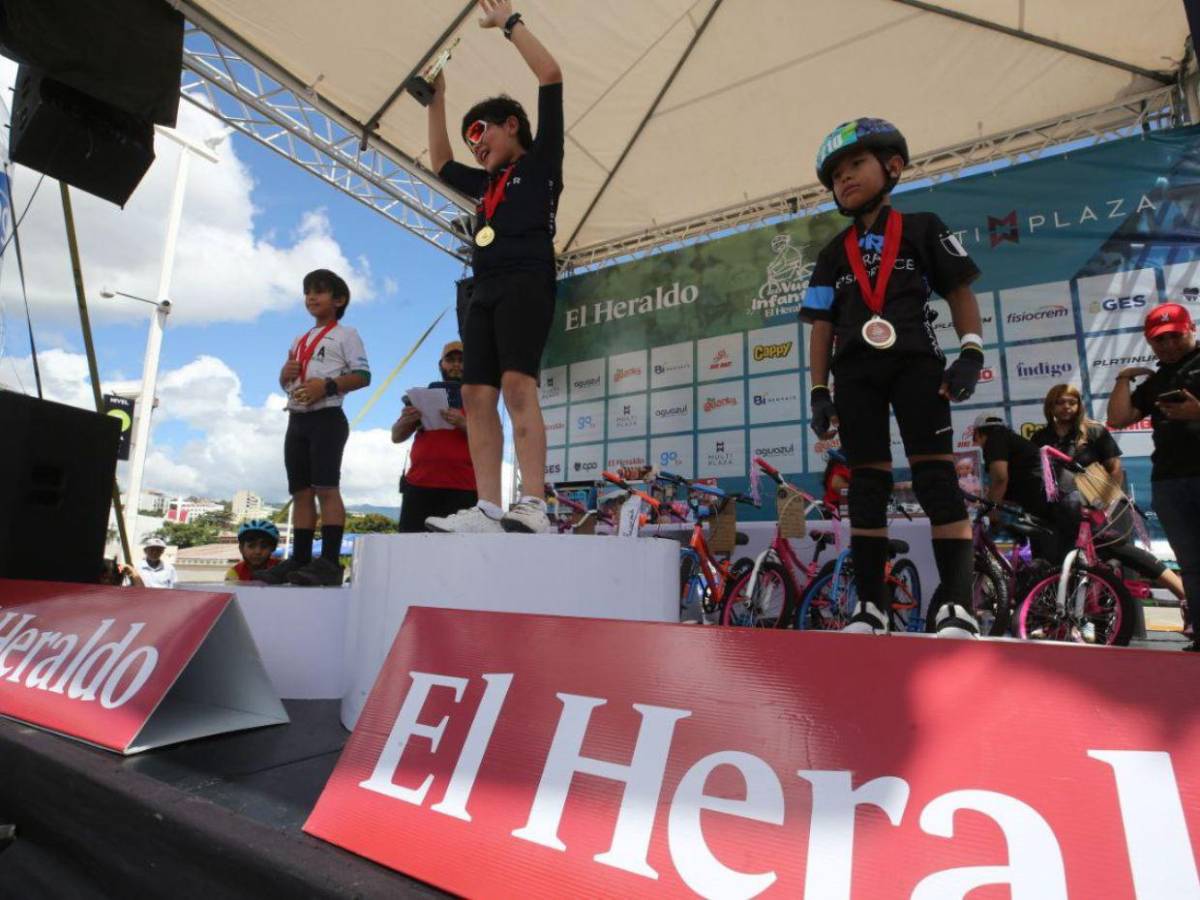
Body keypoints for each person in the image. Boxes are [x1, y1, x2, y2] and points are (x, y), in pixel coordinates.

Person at [801, 118, 987, 638]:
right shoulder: (830, 253)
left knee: (936, 481)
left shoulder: (925, 226)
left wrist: (970, 351)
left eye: (855, 165)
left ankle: (956, 605)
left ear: (893, 166)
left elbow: (958, 292)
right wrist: (818, 390)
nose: (845, 179)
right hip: (854, 375)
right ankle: (871, 608)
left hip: (917, 365)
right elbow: (820, 326)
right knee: (866, 487)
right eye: (835, 175)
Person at [423, 0, 563, 535]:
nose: (475, 144)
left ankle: (532, 502)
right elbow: (439, 164)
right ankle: (486, 506)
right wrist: (436, 102)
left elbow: (550, 75)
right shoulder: (484, 185)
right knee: (477, 394)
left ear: (512, 125)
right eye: (470, 139)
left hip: (528, 279)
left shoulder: (542, 160)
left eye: (481, 131)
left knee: (515, 386)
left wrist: (508, 23)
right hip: (482, 288)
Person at [1030, 384, 1187, 606]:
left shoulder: (1093, 431)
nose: (1066, 407)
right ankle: (1072, 617)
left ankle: (1182, 592)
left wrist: (1104, 504)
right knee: (1064, 560)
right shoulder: (1040, 437)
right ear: (1050, 406)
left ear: (1079, 406)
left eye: (1071, 402)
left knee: (1121, 552)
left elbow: (1115, 468)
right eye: (1060, 402)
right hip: (1067, 512)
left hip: (1105, 506)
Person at [261, 269, 370, 587]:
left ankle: (330, 562)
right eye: (307, 291)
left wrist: (329, 385)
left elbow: (364, 377)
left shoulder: (347, 334)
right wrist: (283, 375)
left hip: (327, 418)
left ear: (339, 300)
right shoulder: (299, 339)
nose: (311, 296)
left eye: (319, 291)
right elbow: (289, 383)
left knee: (326, 488)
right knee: (300, 492)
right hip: (296, 419)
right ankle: (300, 557)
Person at [1107, 302, 1200, 651]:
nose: (1169, 345)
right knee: (1190, 566)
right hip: (1170, 483)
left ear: (1191, 329)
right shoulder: (1157, 380)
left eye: (1175, 336)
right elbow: (1118, 418)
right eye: (1160, 340)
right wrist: (1123, 378)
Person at [392, 341, 478, 532]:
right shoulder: (423, 397)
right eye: (450, 360)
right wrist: (407, 420)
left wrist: (464, 424)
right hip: (418, 486)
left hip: (463, 488)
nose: (456, 365)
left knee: (458, 554)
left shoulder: (479, 401)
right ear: (441, 365)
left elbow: (492, 442)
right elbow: (396, 436)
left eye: (461, 360)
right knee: (411, 549)